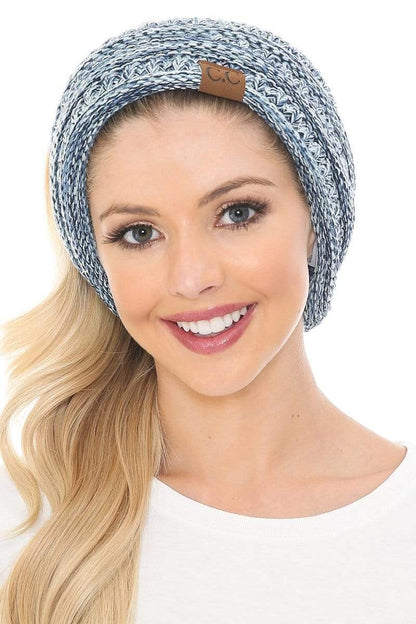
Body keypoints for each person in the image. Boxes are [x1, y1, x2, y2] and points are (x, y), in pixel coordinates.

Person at [1, 16, 415, 623]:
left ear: (316, 220)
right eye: (139, 233)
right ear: (98, 263)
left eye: (237, 213)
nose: (191, 277)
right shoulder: (25, 523)